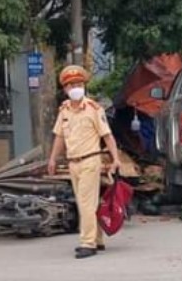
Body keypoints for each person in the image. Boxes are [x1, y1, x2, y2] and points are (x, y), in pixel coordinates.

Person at [47, 65, 124, 259]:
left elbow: (107, 136)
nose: (76, 87)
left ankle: (87, 243)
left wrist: (115, 159)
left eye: (79, 84)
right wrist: (52, 159)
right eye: (72, 84)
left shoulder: (93, 109)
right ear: (65, 88)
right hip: (73, 163)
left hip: (91, 160)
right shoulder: (64, 110)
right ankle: (97, 239)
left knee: (85, 203)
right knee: (90, 203)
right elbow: (59, 137)